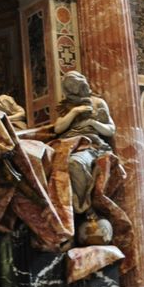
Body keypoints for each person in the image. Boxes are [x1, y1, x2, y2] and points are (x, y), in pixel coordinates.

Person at [50, 71, 115, 212]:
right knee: (47, 163)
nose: (75, 89)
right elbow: (58, 128)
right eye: (70, 86)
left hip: (88, 145)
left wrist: (93, 123)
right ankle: (56, 207)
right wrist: (75, 112)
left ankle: (81, 207)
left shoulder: (97, 102)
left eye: (76, 84)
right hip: (66, 143)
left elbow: (110, 130)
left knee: (75, 163)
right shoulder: (66, 106)